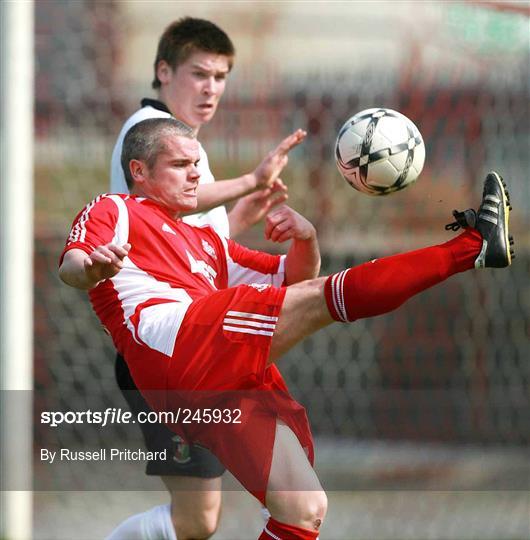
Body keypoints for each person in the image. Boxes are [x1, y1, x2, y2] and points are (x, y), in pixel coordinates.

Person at [59, 118, 515, 539]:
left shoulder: (206, 241)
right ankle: (473, 247)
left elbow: (294, 282)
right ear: (139, 170)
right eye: (181, 164)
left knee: (303, 508)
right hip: (176, 347)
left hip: (211, 375)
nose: (196, 173)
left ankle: (474, 248)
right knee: (324, 299)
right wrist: (92, 267)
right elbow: (72, 263)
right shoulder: (116, 208)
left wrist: (306, 239)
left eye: (197, 162)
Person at [107, 17, 305, 539]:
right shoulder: (144, 132)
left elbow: (188, 245)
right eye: (199, 73)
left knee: (201, 521)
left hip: (196, 347)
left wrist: (238, 217)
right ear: (163, 71)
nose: (211, 88)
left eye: (220, 77)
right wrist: (251, 180)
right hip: (170, 352)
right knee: (201, 519)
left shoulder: (187, 150)